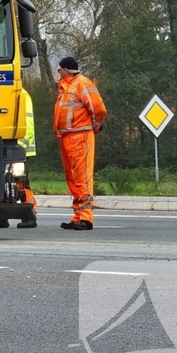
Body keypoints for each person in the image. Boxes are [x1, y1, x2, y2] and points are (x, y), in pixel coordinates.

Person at [54, 56, 106, 231]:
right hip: (67, 137)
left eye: (59, 69)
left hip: (80, 136)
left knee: (82, 178)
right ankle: (78, 216)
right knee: (73, 179)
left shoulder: (82, 83)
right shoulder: (66, 86)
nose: (58, 73)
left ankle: (86, 217)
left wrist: (95, 127)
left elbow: (99, 109)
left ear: (66, 70)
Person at [0, 88, 38, 229]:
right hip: (15, 145)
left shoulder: (17, 93)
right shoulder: (21, 93)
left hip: (18, 145)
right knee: (3, 182)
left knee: (21, 184)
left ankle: (30, 216)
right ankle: (1, 218)